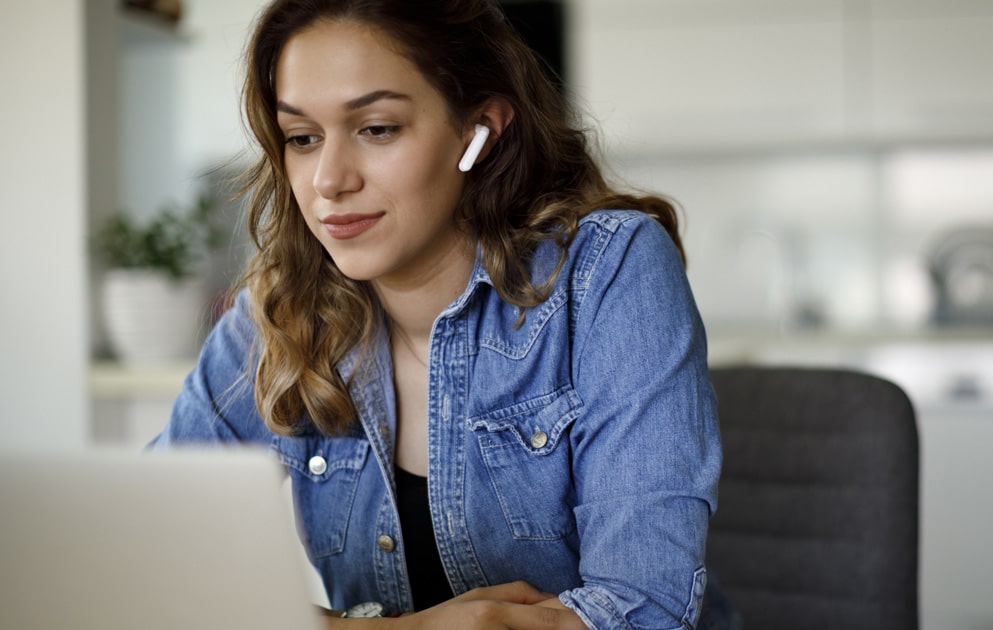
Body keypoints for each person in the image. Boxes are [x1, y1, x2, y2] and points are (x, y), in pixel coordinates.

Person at [153, 1, 733, 628]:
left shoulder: (607, 272)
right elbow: (145, 561)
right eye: (302, 138)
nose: (328, 180)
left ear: (478, 130)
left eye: (377, 128)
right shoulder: (275, 314)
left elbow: (644, 612)